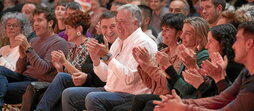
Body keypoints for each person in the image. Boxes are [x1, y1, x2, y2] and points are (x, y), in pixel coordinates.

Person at [61, 4, 157, 111]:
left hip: (132, 94)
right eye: (117, 21)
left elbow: (129, 79)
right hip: (112, 90)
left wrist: (108, 57)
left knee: (93, 98)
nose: (118, 26)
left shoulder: (143, 43)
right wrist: (95, 59)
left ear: (135, 23)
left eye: (122, 22)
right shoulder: (119, 41)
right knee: (69, 94)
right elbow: (106, 77)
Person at [153, 20, 254, 111]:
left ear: (249, 43)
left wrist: (183, 107)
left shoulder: (205, 56)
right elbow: (222, 98)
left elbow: (224, 106)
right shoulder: (246, 72)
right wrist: (181, 103)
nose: (233, 46)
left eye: (238, 40)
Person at [35, 11, 118, 111]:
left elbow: (82, 76)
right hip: (79, 84)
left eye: (68, 28)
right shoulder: (72, 49)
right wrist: (59, 68)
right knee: (55, 87)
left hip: (91, 83)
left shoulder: (89, 45)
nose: (65, 32)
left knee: (61, 84)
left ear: (79, 29)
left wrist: (65, 62)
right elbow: (65, 78)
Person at [112, 13, 186, 111]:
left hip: (170, 96)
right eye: (162, 30)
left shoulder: (182, 56)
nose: (162, 34)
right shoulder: (162, 52)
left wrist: (148, 64)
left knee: (139, 101)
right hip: (155, 94)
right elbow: (150, 84)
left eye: (167, 30)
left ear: (179, 33)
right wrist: (142, 63)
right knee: (117, 109)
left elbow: (167, 85)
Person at [0, 6, 69, 109]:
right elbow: (19, 70)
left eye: (39, 20)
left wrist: (28, 48)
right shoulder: (34, 40)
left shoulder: (59, 42)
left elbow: (43, 69)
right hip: (23, 78)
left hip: (37, 82)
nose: (35, 24)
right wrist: (22, 56)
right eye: (34, 21)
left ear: (50, 23)